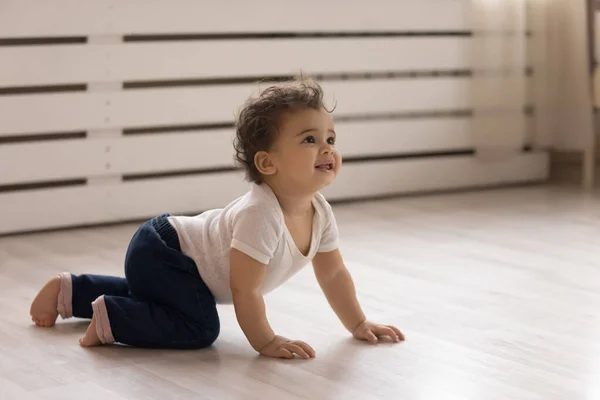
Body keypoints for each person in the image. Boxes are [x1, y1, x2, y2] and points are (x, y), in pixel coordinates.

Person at [29, 77, 404, 359]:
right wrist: (266, 341)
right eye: (309, 140)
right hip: (165, 249)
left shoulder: (320, 212)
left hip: (175, 258)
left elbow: (333, 274)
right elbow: (245, 289)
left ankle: (71, 291)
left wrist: (358, 323)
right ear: (267, 162)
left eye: (331, 139)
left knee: (170, 302)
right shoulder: (261, 215)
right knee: (199, 326)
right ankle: (113, 316)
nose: (327, 148)